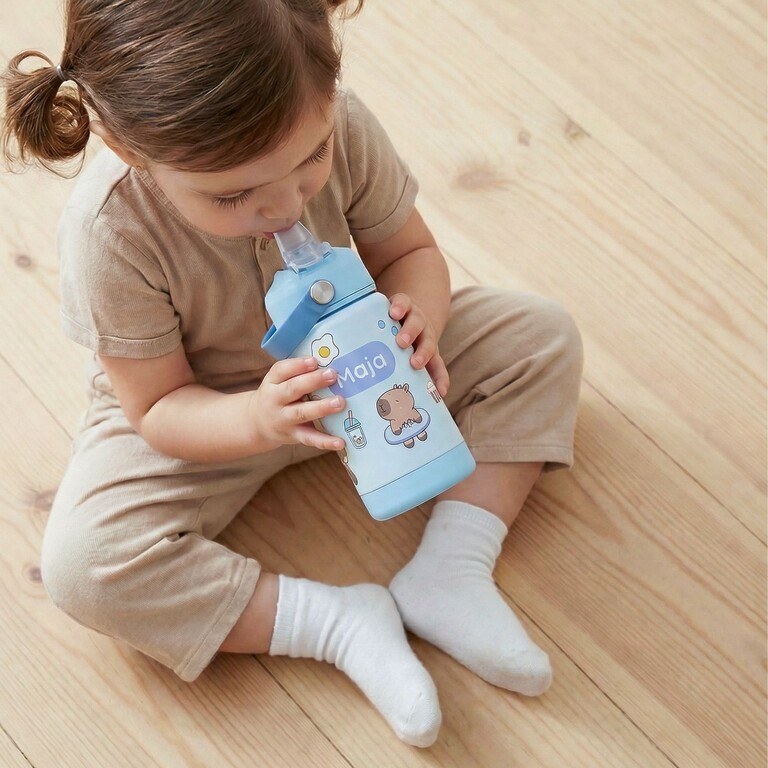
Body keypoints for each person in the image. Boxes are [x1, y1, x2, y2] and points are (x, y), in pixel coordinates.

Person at [1, 0, 582, 748]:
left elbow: (410, 253)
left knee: (540, 338)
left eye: (310, 163)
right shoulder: (110, 233)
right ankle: (334, 623)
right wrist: (256, 420)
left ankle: (451, 568)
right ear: (126, 147)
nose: (283, 205)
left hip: (369, 370)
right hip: (203, 410)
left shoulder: (342, 122)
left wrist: (420, 319)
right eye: (233, 195)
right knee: (83, 567)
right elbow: (155, 407)